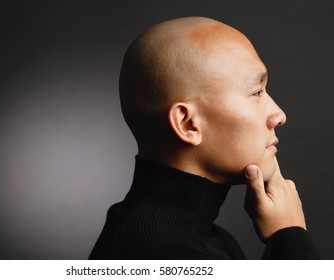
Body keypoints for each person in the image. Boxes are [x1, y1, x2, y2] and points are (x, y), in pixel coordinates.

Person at [89, 17, 320, 259]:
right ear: (188, 123)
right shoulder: (162, 254)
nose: (279, 115)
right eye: (256, 92)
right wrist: (289, 237)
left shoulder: (195, 238)